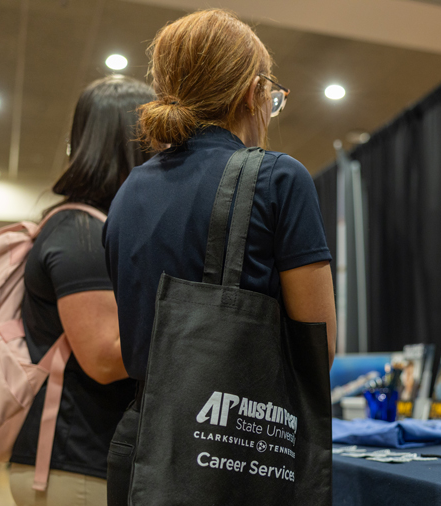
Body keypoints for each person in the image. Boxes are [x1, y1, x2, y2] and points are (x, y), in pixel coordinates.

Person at [102, 9, 336, 504]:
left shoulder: (129, 192)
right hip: (233, 452)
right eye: (272, 97)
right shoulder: (279, 178)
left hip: (142, 446)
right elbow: (319, 349)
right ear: (253, 92)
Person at [8, 75, 154, 505]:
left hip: (81, 464)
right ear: (132, 142)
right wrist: (194, 331)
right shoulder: (81, 234)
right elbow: (105, 359)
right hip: (74, 467)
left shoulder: (97, 228)